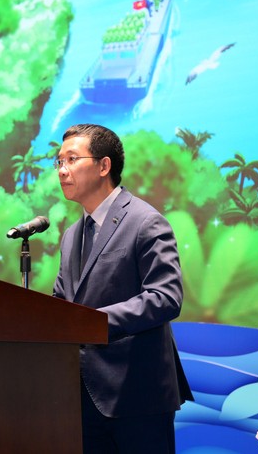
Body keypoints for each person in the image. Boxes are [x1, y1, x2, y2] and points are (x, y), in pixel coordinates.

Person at [52, 123, 193, 453]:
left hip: (136, 394)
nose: (62, 170)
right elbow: (62, 300)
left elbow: (166, 297)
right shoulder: (71, 235)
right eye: (59, 161)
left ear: (104, 166)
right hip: (82, 395)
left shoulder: (145, 221)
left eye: (72, 159)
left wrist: (93, 322)